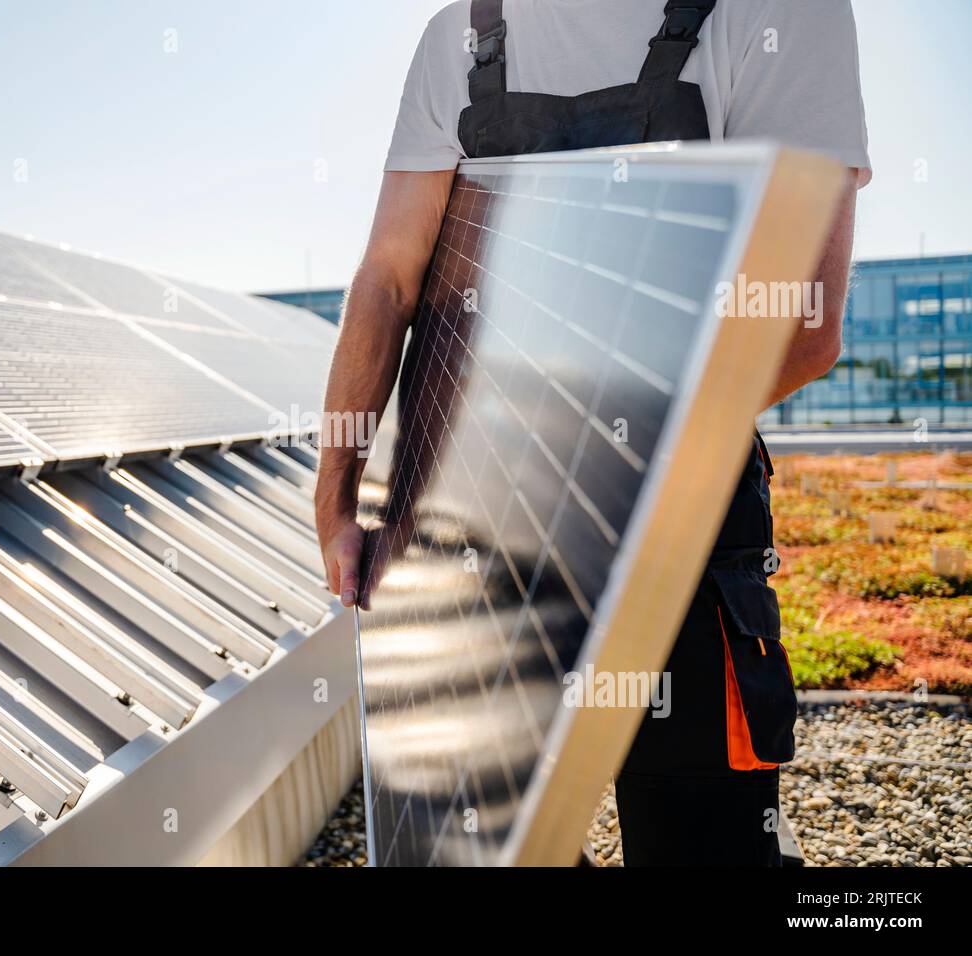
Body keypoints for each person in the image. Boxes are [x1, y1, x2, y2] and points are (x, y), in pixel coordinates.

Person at [315, 0, 871, 866]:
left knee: (703, 843)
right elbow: (389, 279)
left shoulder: (776, 11)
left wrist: (591, 485)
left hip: (678, 528)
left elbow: (803, 323)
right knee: (486, 842)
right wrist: (337, 493)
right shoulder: (463, 33)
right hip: (478, 533)